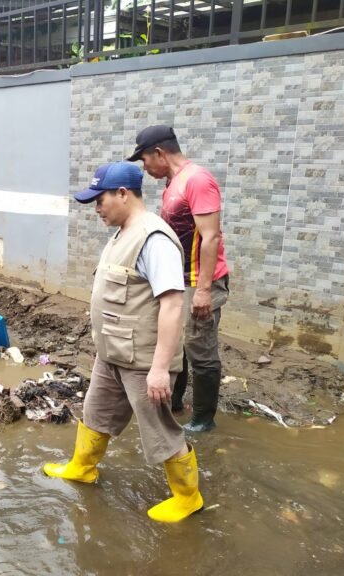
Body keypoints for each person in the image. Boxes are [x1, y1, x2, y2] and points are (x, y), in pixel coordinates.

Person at [43, 162, 203, 524]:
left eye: (99, 201)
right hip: (112, 352)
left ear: (122, 194)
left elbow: (173, 304)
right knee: (96, 412)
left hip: (143, 360)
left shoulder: (154, 239)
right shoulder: (121, 234)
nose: (96, 209)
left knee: (160, 431)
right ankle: (82, 467)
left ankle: (188, 497)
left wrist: (161, 369)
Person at [128, 126, 230, 432]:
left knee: (200, 348)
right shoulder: (173, 183)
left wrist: (204, 291)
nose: (144, 167)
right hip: (179, 278)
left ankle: (202, 419)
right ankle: (174, 403)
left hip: (199, 282)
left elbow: (210, 238)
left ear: (159, 152)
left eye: (144, 159)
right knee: (174, 343)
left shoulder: (197, 180)